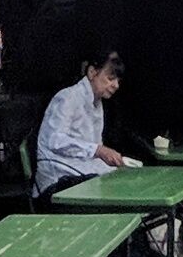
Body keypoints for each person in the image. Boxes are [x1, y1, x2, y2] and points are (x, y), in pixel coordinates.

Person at [33, 48, 131, 199]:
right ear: (92, 72)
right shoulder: (67, 97)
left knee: (124, 179)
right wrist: (98, 150)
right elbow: (56, 140)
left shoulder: (97, 104)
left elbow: (95, 147)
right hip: (56, 180)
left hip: (80, 172)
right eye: (110, 78)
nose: (116, 85)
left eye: (118, 81)